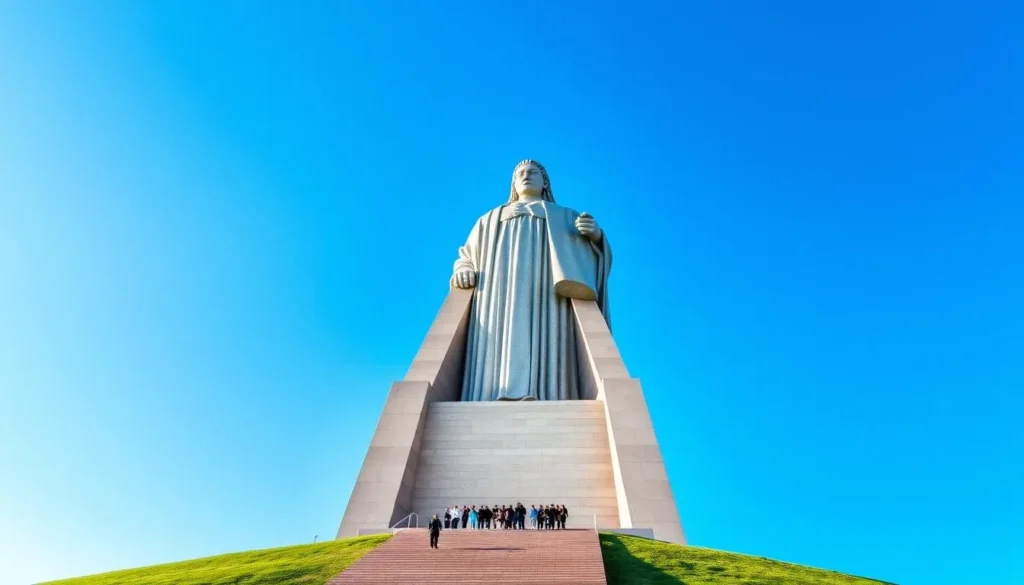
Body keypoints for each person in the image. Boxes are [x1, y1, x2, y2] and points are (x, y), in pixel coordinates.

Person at [451, 160, 612, 402]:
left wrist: (596, 237)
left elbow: (597, 260)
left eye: (533, 172)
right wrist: (463, 269)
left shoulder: (567, 216)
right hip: (496, 296)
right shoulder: (489, 219)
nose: (526, 176)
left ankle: (550, 393)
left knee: (548, 343)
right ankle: (488, 393)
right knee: (496, 341)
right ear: (513, 183)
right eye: (520, 174)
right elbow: (466, 255)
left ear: (545, 182)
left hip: (548, 298)